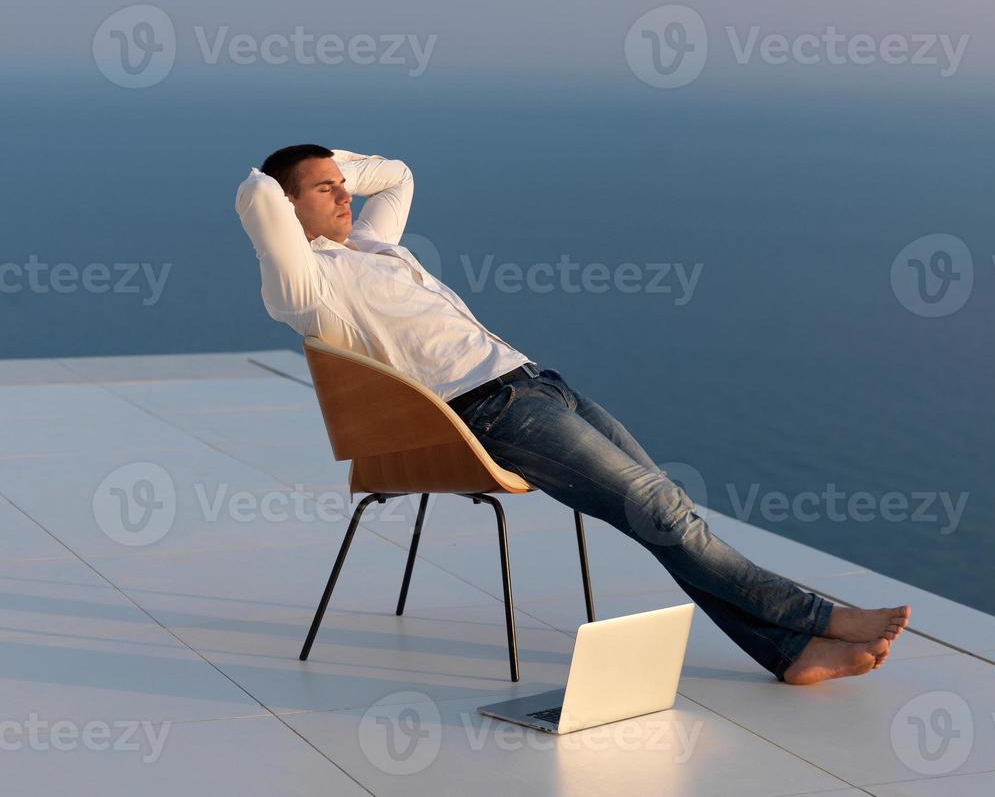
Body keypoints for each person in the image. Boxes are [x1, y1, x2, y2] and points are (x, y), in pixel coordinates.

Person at [234, 144, 910, 684]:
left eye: (341, 183)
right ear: (287, 209)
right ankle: (822, 619)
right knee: (668, 516)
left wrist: (327, 169)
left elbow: (398, 176)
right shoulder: (305, 288)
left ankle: (788, 653)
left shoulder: (373, 246)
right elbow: (257, 195)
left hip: (538, 386)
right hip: (490, 415)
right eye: (324, 189)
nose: (346, 193)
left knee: (668, 514)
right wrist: (285, 175)